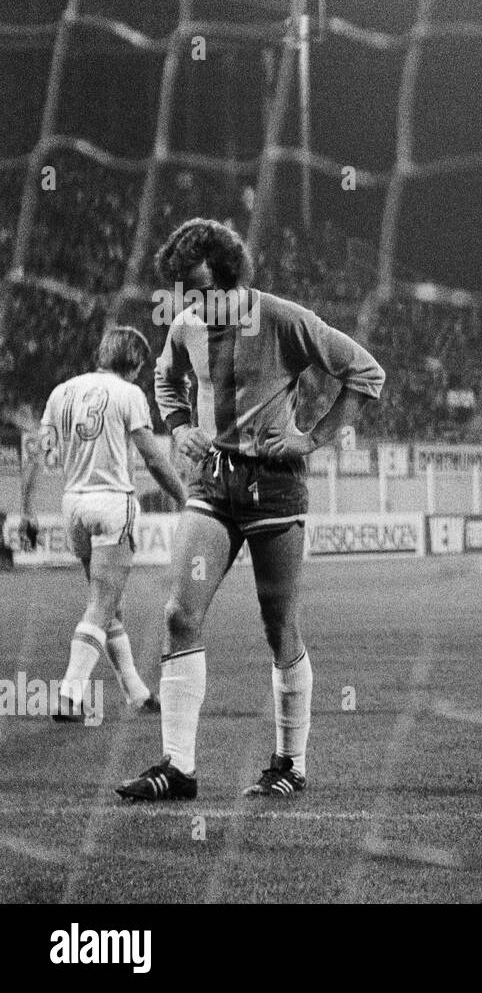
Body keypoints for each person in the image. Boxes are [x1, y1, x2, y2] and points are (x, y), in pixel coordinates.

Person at [116, 218, 384, 802]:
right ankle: (178, 768)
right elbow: (166, 381)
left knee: (277, 625)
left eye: (199, 286)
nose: (189, 300)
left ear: (230, 275)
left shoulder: (285, 319)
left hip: (274, 487)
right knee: (179, 615)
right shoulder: (187, 326)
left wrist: (310, 439)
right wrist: (181, 425)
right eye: (184, 289)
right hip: (213, 486)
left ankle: (291, 762)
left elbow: (365, 372)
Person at [18, 327, 188, 721]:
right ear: (136, 363)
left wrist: (26, 510)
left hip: (73, 506)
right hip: (113, 505)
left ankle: (136, 692)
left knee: (110, 608)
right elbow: (154, 459)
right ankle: (69, 694)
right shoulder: (129, 395)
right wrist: (184, 498)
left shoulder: (62, 392)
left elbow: (35, 454)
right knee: (101, 605)